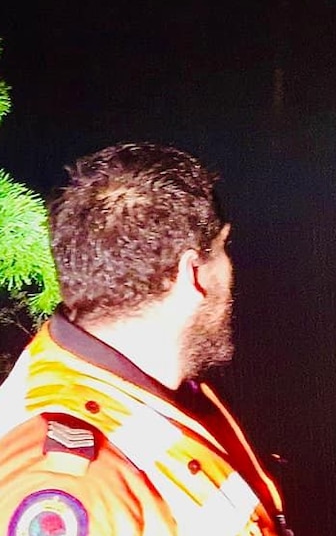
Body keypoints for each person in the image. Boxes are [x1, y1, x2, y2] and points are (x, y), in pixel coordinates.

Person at [0, 143, 292, 536]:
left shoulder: (157, 386)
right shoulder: (74, 487)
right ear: (192, 274)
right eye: (223, 249)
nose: (230, 268)